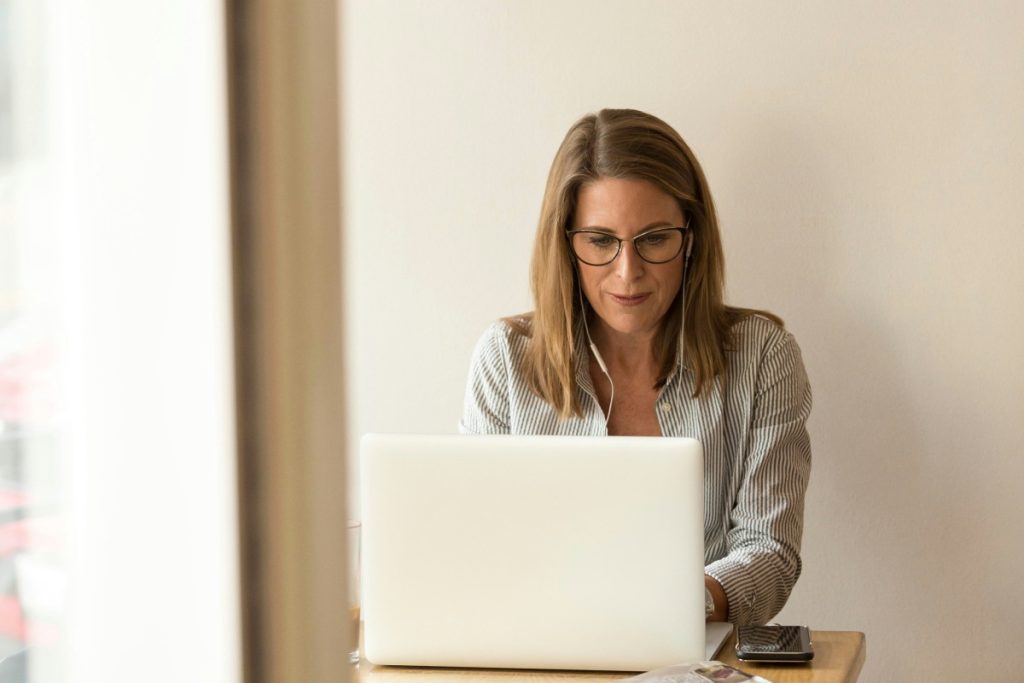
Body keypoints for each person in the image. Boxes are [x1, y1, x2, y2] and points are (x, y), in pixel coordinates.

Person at [459, 108, 812, 626]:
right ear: (566, 244)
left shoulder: (762, 357)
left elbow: (770, 552)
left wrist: (674, 606)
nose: (628, 273)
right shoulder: (504, 360)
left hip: (695, 657)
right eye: (601, 241)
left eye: (653, 239)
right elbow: (477, 548)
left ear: (690, 238)